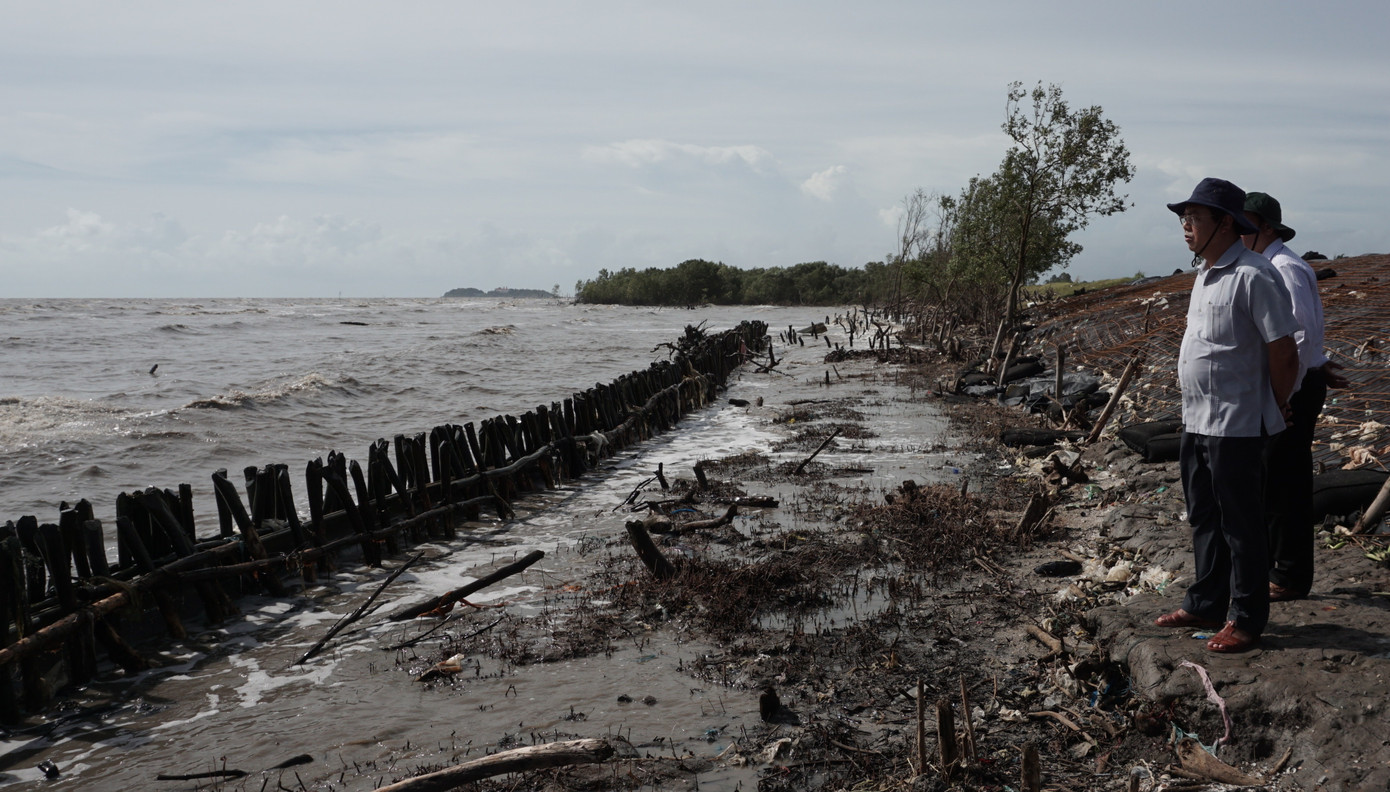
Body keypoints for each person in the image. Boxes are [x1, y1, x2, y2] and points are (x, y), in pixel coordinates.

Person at [1155, 177, 1301, 653]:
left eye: (1194, 217)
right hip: (1196, 419)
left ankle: (1246, 616)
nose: (1186, 226)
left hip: (1236, 423)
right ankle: (1205, 601)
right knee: (1203, 515)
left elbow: (1284, 352)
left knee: (1241, 523)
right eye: (1184, 217)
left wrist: (1276, 403)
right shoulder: (1204, 273)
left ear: (1225, 222)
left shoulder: (1256, 274)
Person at [1242, 192, 1349, 601]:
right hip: (1295, 383)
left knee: (1284, 481)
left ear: (1266, 227)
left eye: (1246, 223)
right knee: (1274, 478)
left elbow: (1299, 338)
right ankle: (1279, 567)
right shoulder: (1272, 265)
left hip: (1291, 389)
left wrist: (1282, 394)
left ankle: (1288, 576)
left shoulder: (1283, 269)